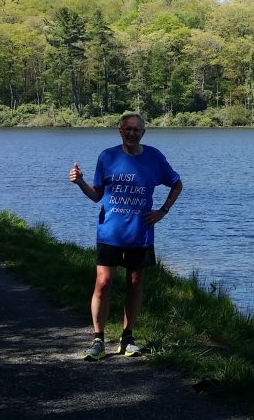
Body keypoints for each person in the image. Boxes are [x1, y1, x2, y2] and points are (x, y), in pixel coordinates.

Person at [69, 113, 182, 360]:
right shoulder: (107, 157)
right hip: (110, 232)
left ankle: (127, 337)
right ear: (120, 131)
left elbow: (177, 183)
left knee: (134, 283)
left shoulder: (154, 157)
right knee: (103, 284)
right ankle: (98, 340)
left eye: (136, 130)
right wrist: (80, 182)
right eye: (127, 129)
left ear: (144, 132)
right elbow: (97, 195)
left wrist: (163, 211)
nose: (132, 134)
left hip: (139, 234)